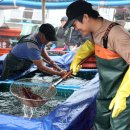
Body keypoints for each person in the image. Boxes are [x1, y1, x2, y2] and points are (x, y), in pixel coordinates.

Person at [64, 1, 130, 130]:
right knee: (100, 123)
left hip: (124, 96)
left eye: (74, 24)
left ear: (85, 17)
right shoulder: (96, 32)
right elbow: (92, 44)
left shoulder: (117, 35)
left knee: (119, 126)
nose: (75, 28)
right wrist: (78, 58)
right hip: (107, 91)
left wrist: (122, 95)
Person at [1, 23, 66, 80]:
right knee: (7, 82)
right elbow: (41, 67)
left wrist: (50, 61)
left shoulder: (38, 37)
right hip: (12, 65)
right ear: (41, 35)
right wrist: (59, 73)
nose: (49, 42)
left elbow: (42, 50)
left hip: (22, 64)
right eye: (48, 39)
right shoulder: (32, 47)